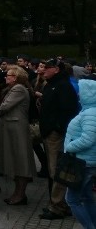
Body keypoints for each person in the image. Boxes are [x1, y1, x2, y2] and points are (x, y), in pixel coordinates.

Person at [39, 59, 81, 221]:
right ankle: (60, 204)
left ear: (56, 69)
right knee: (53, 170)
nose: (42, 71)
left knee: (56, 170)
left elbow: (68, 110)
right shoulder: (52, 83)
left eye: (47, 68)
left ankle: (57, 206)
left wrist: (55, 128)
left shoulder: (62, 86)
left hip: (56, 135)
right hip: (50, 133)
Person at [0, 65, 36, 205]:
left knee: (20, 162)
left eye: (10, 75)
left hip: (16, 129)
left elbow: (3, 107)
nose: (6, 77)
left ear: (16, 78)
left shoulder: (18, 89)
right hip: (12, 127)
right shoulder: (12, 89)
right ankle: (18, 193)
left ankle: (20, 194)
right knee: (16, 161)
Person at [64, 79, 96, 229]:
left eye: (81, 91)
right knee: (87, 196)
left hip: (83, 162)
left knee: (72, 199)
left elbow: (88, 138)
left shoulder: (90, 113)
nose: (78, 93)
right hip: (87, 161)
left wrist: (70, 146)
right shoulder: (88, 110)